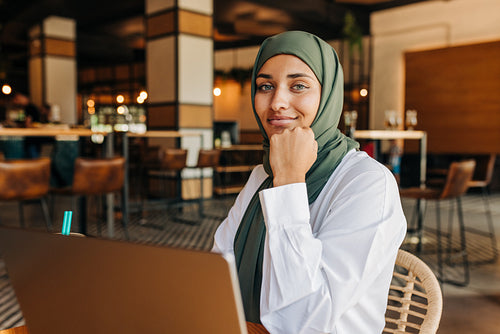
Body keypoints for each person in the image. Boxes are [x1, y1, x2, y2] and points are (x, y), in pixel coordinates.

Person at [212, 31, 407, 333]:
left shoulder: (368, 183)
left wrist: (289, 180)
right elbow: (216, 272)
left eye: (298, 86)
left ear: (328, 95)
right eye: (266, 86)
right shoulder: (261, 175)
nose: (277, 102)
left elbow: (304, 320)